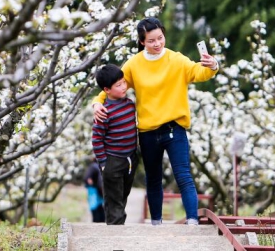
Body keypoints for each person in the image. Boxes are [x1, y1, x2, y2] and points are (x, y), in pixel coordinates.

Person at [93, 17, 218, 226]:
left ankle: (192, 221)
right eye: (151, 40)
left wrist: (213, 65)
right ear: (142, 41)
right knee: (153, 178)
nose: (157, 43)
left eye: (160, 38)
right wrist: (97, 103)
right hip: (148, 132)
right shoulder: (133, 65)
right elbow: (114, 85)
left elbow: (199, 72)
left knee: (184, 176)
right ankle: (156, 223)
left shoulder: (176, 60)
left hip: (174, 128)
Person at [91, 64, 139, 225]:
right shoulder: (104, 112)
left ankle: (118, 228)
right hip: (113, 161)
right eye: (118, 85)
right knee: (114, 202)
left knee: (122, 196)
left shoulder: (130, 104)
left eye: (124, 82)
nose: (124, 86)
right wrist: (104, 163)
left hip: (130, 159)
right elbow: (97, 139)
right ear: (107, 90)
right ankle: (115, 235)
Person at [83, 158, 105, 223]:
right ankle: (100, 221)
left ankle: (97, 221)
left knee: (95, 206)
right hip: (97, 189)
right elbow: (88, 178)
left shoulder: (93, 166)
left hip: (94, 189)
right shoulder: (99, 166)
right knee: (99, 206)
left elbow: (87, 178)